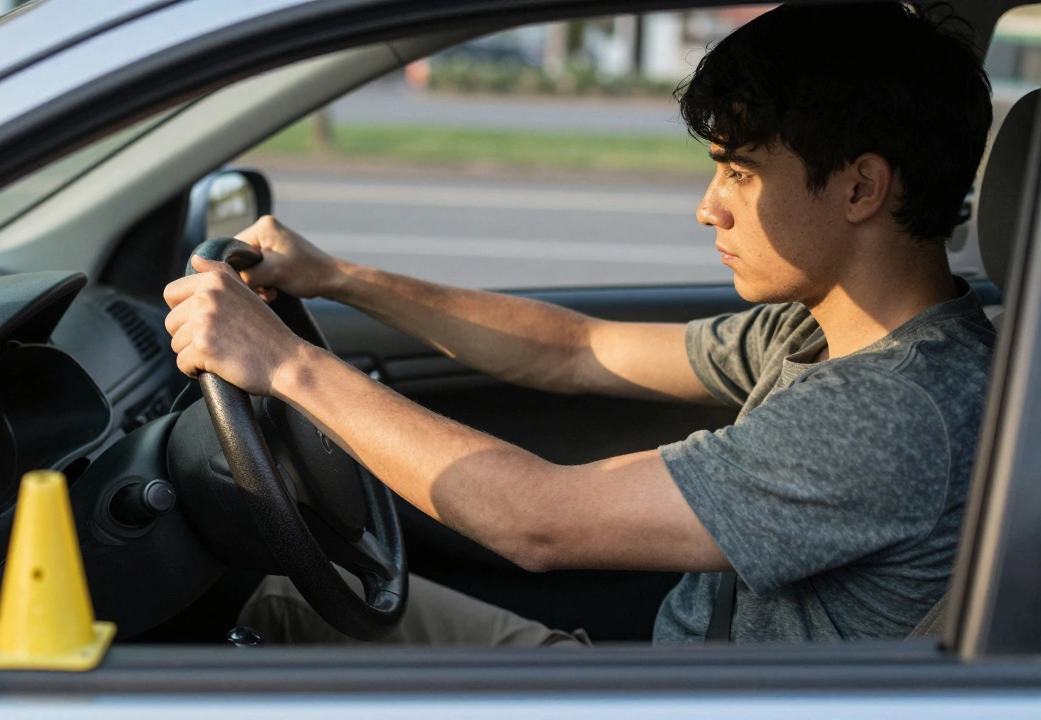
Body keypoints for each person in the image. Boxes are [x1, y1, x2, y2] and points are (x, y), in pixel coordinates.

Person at [162, 1, 995, 644]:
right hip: (662, 674)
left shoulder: (893, 412)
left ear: (860, 188)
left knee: (268, 620)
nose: (709, 210)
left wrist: (286, 367)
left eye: (741, 174)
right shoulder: (814, 332)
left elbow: (541, 520)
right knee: (273, 603)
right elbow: (580, 351)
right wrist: (340, 278)